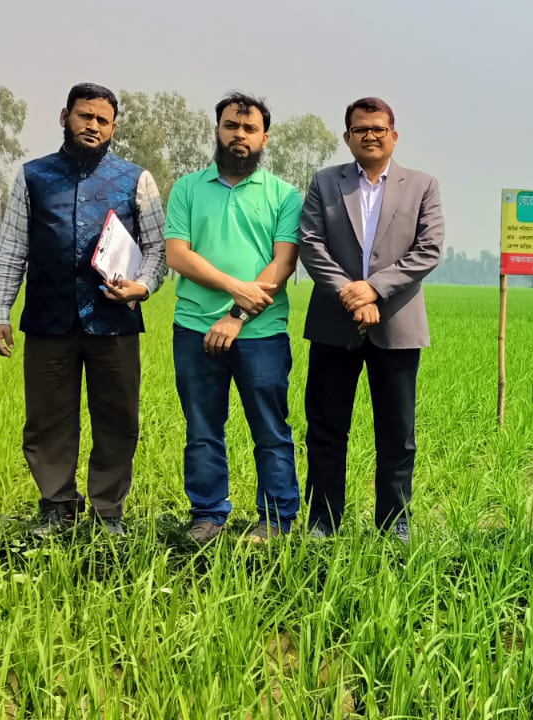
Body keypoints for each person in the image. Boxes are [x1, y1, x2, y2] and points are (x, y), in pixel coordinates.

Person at [0, 82, 167, 537]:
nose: (93, 126)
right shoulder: (33, 177)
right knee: (47, 419)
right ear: (65, 117)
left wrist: (142, 287)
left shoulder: (136, 179)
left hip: (115, 321)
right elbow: (13, 248)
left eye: (103, 120)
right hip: (48, 319)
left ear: (114, 127)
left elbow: (157, 249)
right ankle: (57, 506)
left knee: (118, 419)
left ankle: (108, 512)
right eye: (85, 116)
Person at [297, 97, 445, 543]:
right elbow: (310, 242)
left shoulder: (422, 185)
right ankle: (322, 521)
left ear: (393, 136)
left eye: (379, 128)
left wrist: (375, 289)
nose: (370, 136)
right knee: (326, 429)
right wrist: (350, 292)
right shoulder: (326, 182)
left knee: (397, 433)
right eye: (360, 129)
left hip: (396, 324)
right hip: (333, 323)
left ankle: (394, 522)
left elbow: (429, 249)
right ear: (348, 137)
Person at [164, 92, 302, 544]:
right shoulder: (187, 188)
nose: (239, 135)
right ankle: (207, 515)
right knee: (202, 429)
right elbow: (177, 254)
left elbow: (283, 263)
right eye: (231, 126)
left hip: (261, 333)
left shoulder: (284, 195)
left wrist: (237, 314)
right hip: (194, 328)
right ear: (217, 130)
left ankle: (276, 519)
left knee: (270, 429)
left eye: (249, 128)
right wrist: (233, 287)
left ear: (264, 137)